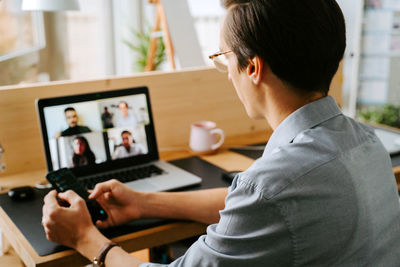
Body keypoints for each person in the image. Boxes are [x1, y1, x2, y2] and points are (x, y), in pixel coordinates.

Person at [42, 1, 400, 266]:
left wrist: (84, 238)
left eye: (225, 58)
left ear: (254, 68)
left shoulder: (275, 185)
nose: (228, 73)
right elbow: (261, 204)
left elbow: (265, 200)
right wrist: (143, 202)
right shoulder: (366, 142)